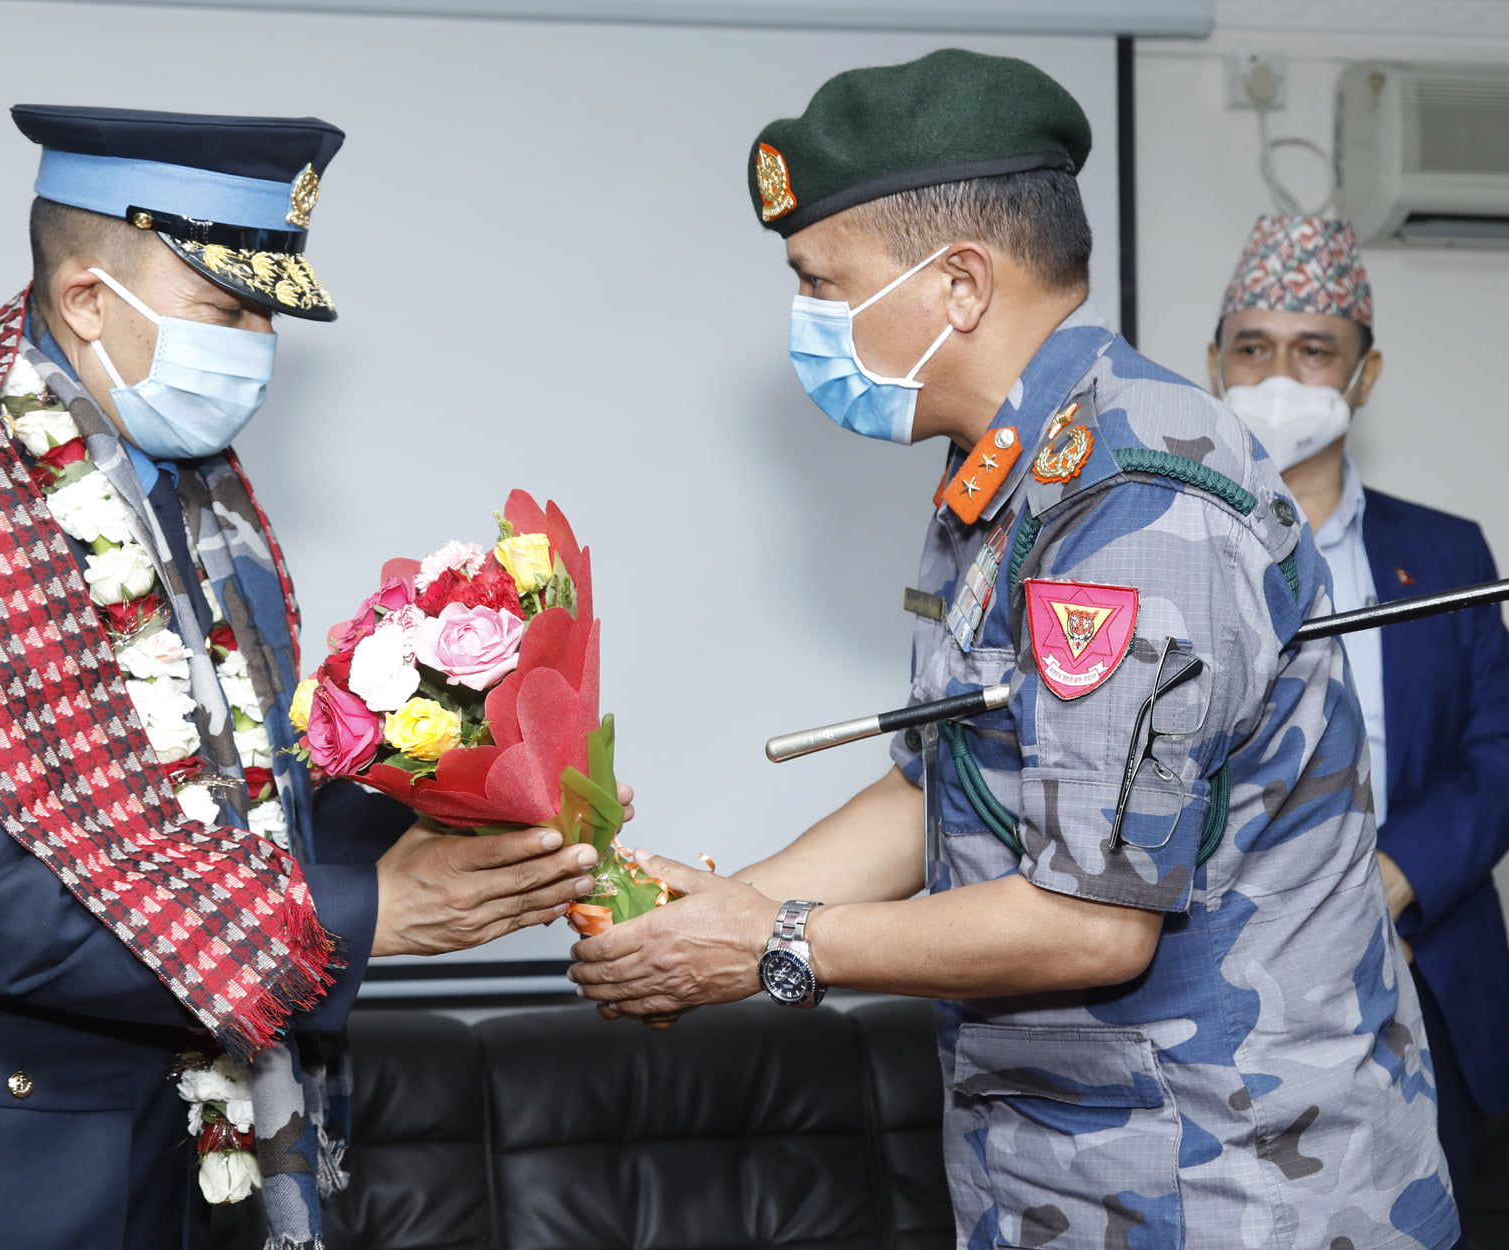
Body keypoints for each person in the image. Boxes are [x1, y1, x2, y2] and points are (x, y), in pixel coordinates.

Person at [569, 51, 1458, 1250]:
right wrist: (722, 908)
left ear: (959, 285)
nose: (809, 320)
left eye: (824, 282)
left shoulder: (1135, 504)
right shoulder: (1016, 471)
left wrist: (770, 942)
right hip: (1068, 1170)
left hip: (1227, 1185)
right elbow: (949, 775)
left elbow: (1091, 918)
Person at [0, 105, 605, 1250]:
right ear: (88, 299)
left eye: (268, 314)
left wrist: (467, 788)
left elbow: (238, 816)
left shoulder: (191, 497)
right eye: (227, 309)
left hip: (163, 1166)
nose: (259, 345)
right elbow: (7, 906)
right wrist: (377, 914)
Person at [1210, 214, 1509, 1236]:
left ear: (1364, 374)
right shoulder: (1161, 544)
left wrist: (1386, 881)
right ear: (1212, 365)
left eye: (1313, 350)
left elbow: (1497, 753)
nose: (1276, 377)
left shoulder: (1448, 551)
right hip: (1232, 988)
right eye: (1252, 348)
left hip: (1422, 965)